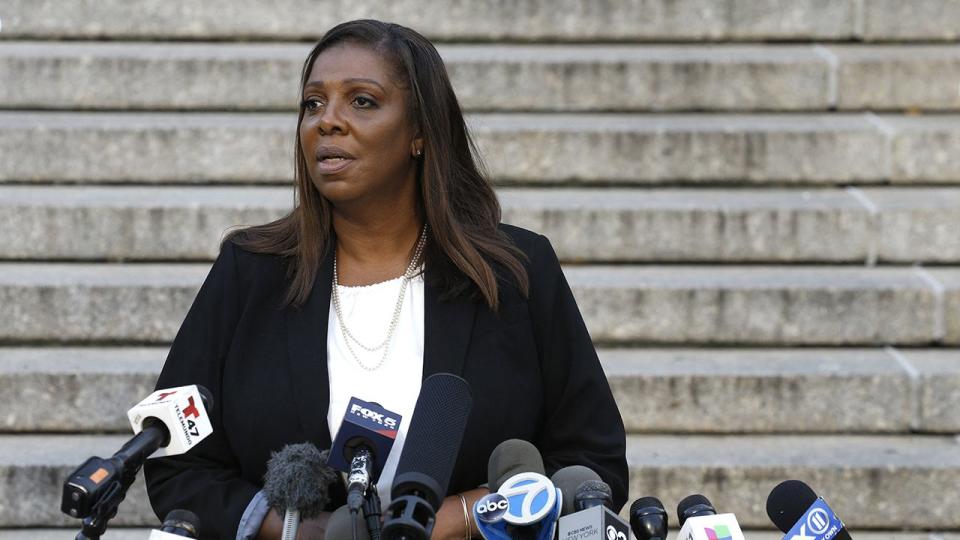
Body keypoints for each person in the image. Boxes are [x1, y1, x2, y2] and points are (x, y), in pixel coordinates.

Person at [143, 19, 627, 540]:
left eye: (362, 102)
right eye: (313, 104)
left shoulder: (515, 272)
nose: (327, 122)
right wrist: (298, 530)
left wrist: (454, 519)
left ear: (419, 132)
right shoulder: (250, 270)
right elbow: (178, 463)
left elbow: (591, 462)